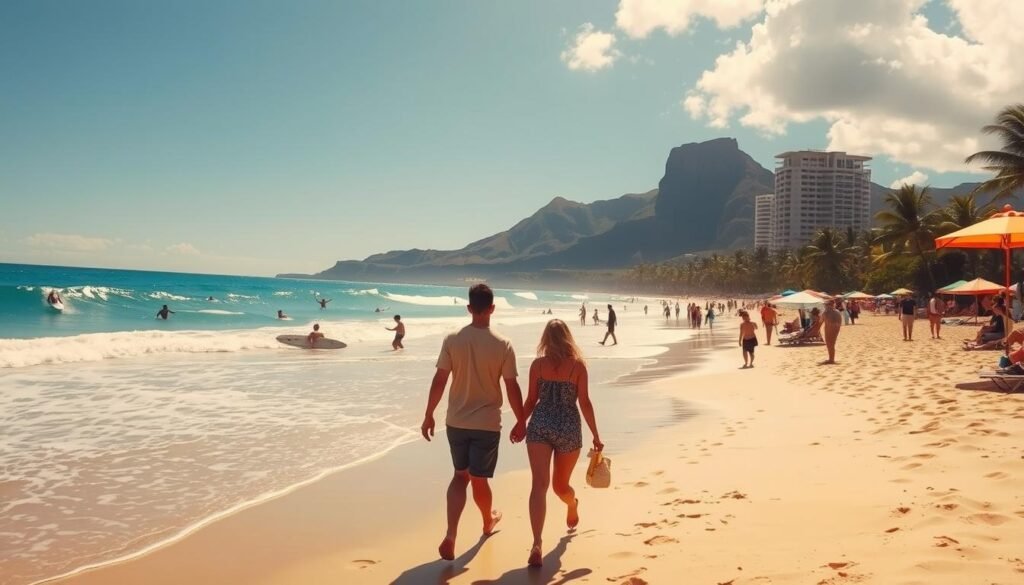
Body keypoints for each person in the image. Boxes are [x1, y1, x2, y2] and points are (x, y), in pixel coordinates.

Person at [421, 284, 524, 561]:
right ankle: (487, 522)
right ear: (492, 308)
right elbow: (512, 386)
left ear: (469, 308)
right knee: (479, 479)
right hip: (487, 423)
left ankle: (451, 533)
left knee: (459, 476)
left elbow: (440, 380)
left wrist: (429, 413)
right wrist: (521, 419)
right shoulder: (503, 344)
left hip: (456, 421)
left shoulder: (452, 339)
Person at [511, 319, 602, 567]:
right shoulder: (577, 367)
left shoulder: (539, 366)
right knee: (549, 486)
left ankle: (570, 507)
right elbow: (583, 402)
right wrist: (520, 423)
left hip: (545, 424)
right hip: (564, 427)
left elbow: (532, 400)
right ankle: (537, 543)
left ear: (546, 339)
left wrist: (522, 423)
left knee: (549, 486)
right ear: (567, 337)